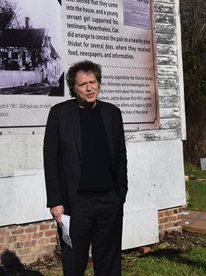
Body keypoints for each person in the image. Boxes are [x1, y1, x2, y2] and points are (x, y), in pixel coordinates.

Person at [42, 60, 128, 276]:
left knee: (109, 264)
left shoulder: (112, 113)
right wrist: (56, 202)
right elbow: (50, 160)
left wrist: (120, 194)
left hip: (109, 202)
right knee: (73, 265)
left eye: (93, 82)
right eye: (83, 84)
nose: (89, 88)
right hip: (75, 204)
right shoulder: (59, 114)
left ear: (98, 84)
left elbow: (120, 157)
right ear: (74, 88)